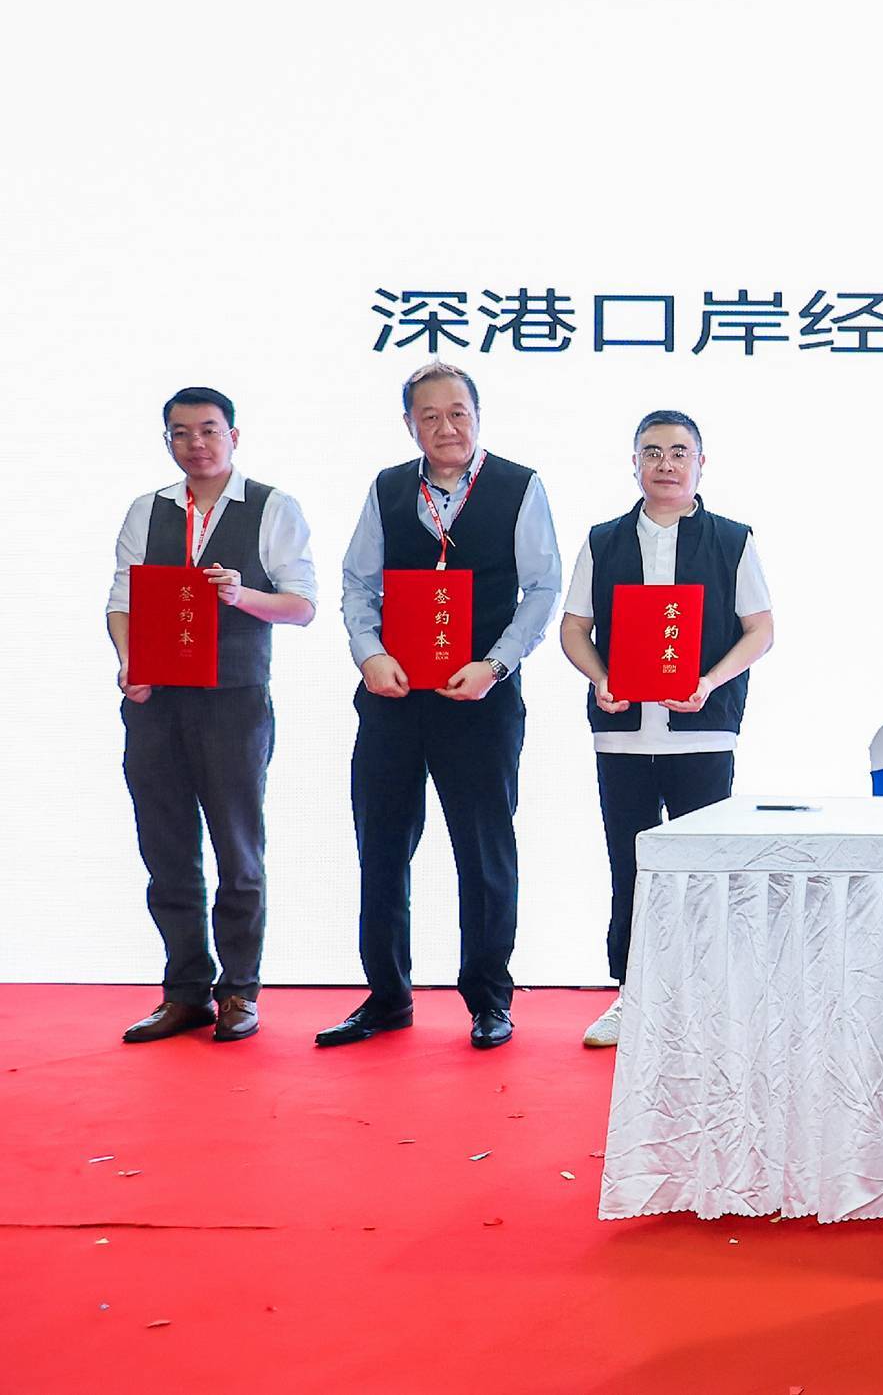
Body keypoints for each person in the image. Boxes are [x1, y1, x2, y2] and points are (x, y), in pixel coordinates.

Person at [322, 361, 560, 1051]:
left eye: (458, 413)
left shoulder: (518, 485)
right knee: (382, 847)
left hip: (479, 698)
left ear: (477, 416)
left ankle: (489, 1000)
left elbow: (543, 588)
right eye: (429, 416)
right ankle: (387, 996)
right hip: (392, 696)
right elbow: (357, 581)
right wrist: (369, 653)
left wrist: (496, 664)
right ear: (409, 425)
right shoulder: (389, 487)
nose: (446, 427)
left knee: (484, 853)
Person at [105, 387, 317, 1044]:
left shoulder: (273, 506)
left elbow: (303, 606)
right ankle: (185, 992)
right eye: (180, 432)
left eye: (208, 430)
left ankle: (239, 992)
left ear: (234, 435)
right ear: (167, 439)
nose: (195, 443)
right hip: (156, 702)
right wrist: (128, 662)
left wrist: (243, 595)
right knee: (165, 847)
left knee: (237, 849)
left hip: (234, 700)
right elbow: (121, 601)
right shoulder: (148, 509)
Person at [557, 409, 774, 1048]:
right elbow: (574, 628)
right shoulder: (603, 540)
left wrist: (709, 681)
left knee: (703, 871)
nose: (666, 464)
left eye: (680, 452)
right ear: (634, 464)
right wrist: (600, 677)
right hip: (622, 732)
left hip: (702, 731)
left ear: (701, 464)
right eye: (652, 452)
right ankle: (632, 995)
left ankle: (706, 1001)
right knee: (629, 865)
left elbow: (760, 629)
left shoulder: (732, 539)